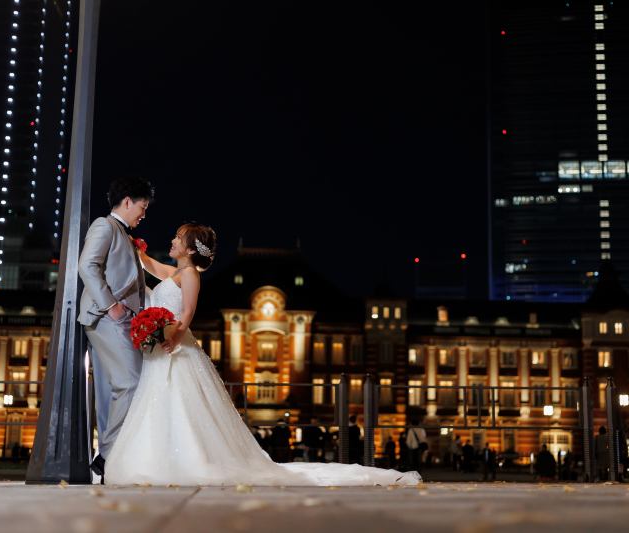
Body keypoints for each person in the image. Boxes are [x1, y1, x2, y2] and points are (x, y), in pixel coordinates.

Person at [103, 224, 421, 486]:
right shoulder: (174, 273)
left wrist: (174, 335)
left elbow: (187, 312)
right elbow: (150, 264)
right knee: (160, 405)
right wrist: (132, 244)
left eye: (177, 238)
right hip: (162, 350)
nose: (171, 240)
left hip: (175, 346)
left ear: (189, 248)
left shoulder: (189, 276)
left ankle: (178, 462)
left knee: (180, 406)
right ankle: (161, 460)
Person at [78, 175, 154, 482]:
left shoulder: (125, 235)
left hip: (121, 320)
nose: (144, 214)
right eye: (143, 206)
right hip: (107, 317)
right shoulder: (104, 226)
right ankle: (107, 457)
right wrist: (112, 305)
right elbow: (86, 265)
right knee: (132, 384)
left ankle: (112, 460)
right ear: (127, 202)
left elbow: (134, 283)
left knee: (113, 390)